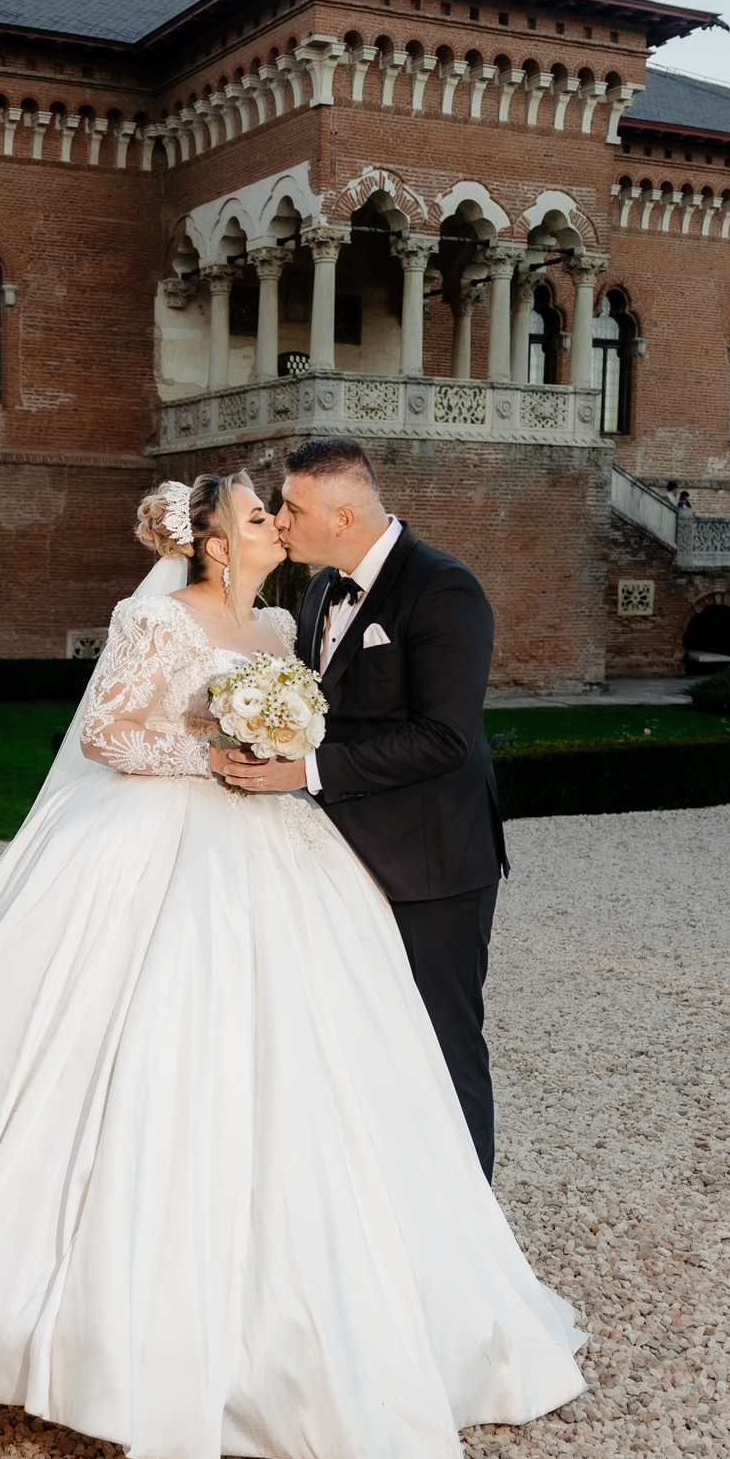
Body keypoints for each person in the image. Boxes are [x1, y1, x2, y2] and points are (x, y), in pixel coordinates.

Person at [0, 474, 585, 1459]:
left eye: (282, 511)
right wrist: (216, 751)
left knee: (325, 1051)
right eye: (260, 515)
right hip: (156, 841)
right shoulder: (157, 617)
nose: (277, 523)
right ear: (217, 544)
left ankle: (396, 1262)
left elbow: (356, 726)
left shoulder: (282, 625)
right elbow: (106, 733)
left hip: (280, 848)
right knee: (138, 1035)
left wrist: (274, 745)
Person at [221, 438, 507, 1176]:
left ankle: (470, 1215)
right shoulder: (318, 589)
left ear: (342, 517)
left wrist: (305, 770)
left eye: (293, 508)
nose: (281, 521)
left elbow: (445, 738)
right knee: (367, 1044)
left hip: (432, 867)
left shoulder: (444, 588)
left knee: (443, 1045)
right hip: (340, 862)